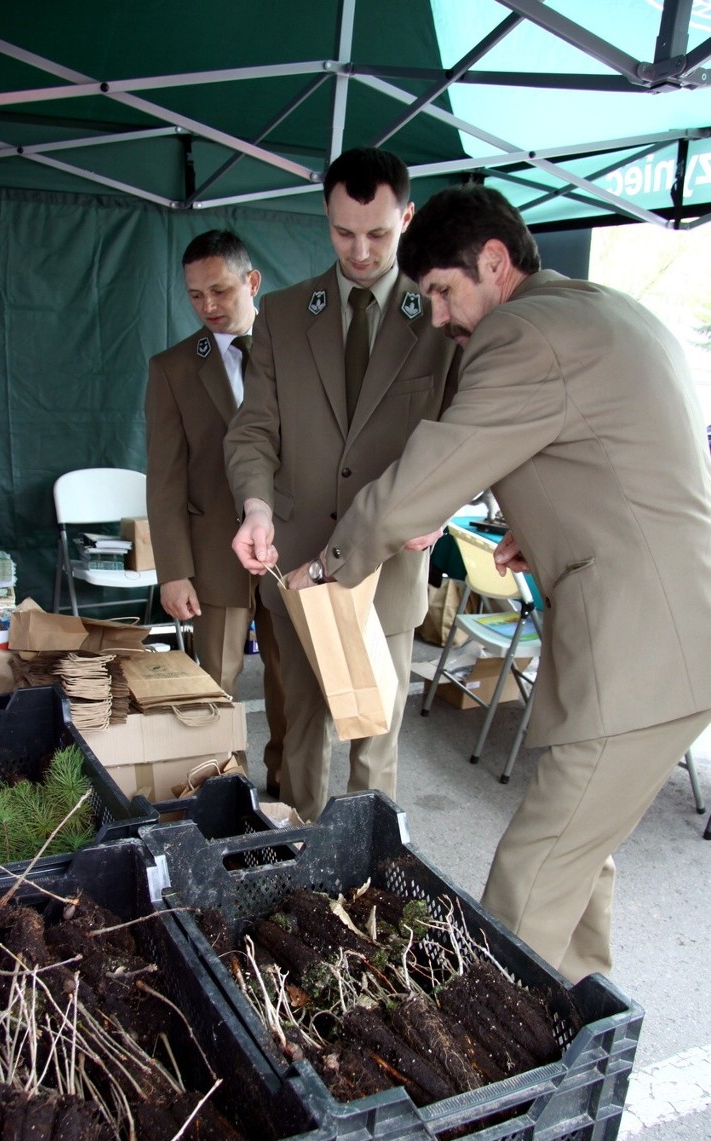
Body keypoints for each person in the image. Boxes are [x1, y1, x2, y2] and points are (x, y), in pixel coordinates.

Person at [285, 181, 711, 981]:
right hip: (663, 628)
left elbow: (425, 477)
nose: (439, 319)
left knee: (533, 875)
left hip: (645, 649)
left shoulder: (522, 333)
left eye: (442, 293)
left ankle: (491, 1080)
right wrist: (543, 525)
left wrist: (329, 567)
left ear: (493, 260)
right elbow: (621, 460)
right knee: (579, 864)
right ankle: (580, 1035)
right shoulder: (602, 310)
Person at [225, 147, 458, 820]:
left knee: (374, 751)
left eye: (379, 233)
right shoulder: (285, 314)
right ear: (324, 217)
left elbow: (468, 434)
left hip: (388, 564)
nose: (359, 250)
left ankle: (369, 881)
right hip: (296, 563)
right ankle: (293, 870)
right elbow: (251, 431)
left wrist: (442, 504)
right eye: (343, 231)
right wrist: (256, 506)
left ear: (407, 218)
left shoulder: (441, 320)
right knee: (299, 740)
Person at [146, 229, 285, 796]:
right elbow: (165, 478)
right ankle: (221, 800)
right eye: (195, 295)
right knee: (215, 691)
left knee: (292, 691)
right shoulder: (172, 368)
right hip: (210, 561)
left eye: (220, 291)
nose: (208, 306)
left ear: (252, 282)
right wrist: (172, 569)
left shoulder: (293, 355)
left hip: (287, 554)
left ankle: (288, 802)